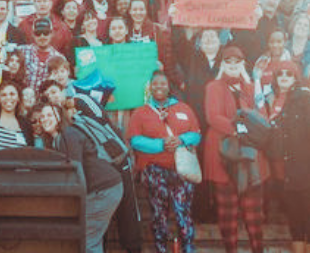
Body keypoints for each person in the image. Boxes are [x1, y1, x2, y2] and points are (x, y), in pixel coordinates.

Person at [127, 71, 201, 253]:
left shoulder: (184, 108)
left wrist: (181, 139)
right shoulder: (140, 112)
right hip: (154, 172)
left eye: (163, 84)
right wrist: (160, 144)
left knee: (183, 213)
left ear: (169, 87)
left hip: (181, 171)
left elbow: (196, 135)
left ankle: (188, 249)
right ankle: (161, 249)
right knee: (159, 215)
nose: (159, 87)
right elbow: (135, 140)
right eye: (155, 84)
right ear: (150, 87)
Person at [203, 46, 267, 253]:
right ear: (222, 64)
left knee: (254, 211)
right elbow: (213, 117)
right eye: (228, 62)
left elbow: (262, 115)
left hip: (250, 155)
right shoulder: (213, 87)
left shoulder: (252, 87)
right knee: (227, 212)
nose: (232, 65)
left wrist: (248, 131)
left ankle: (257, 249)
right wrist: (238, 130)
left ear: (242, 64)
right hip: (224, 153)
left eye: (236, 62)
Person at [38, 103, 123, 253]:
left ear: (59, 117)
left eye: (50, 115)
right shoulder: (57, 140)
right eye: (42, 116)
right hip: (101, 189)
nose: (45, 119)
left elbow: (75, 172)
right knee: (89, 237)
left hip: (103, 190)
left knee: (87, 238)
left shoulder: (68, 135)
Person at [270, 63, 310, 253]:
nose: (284, 77)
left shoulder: (304, 97)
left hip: (307, 164)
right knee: (293, 213)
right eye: (280, 73)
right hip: (284, 166)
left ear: (295, 77)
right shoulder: (270, 99)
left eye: (289, 74)